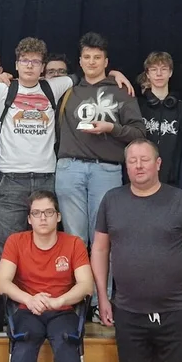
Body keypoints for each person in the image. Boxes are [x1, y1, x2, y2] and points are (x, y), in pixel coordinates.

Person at [91, 140, 182, 362]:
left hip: (177, 312)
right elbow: (100, 249)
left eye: (144, 160)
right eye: (132, 161)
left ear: (158, 163)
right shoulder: (111, 200)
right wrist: (102, 297)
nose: (138, 166)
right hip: (128, 313)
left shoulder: (181, 200)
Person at [0, 191, 93, 362]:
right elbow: (1, 282)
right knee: (23, 347)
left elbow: (86, 284)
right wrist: (29, 298)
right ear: (29, 218)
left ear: (58, 216)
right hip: (29, 310)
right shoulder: (16, 241)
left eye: (48, 212)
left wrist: (61, 300)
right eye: (36, 213)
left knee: (67, 345)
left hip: (62, 310)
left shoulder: (73, 243)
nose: (43, 218)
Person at [0, 37, 73, 256]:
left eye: (35, 61)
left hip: (46, 178)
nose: (29, 65)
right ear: (16, 64)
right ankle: (8, 281)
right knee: (8, 247)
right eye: (24, 60)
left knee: (47, 243)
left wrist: (115, 74)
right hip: (11, 179)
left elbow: (82, 77)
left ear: (43, 67)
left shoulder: (53, 87)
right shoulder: (1, 90)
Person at [56, 32, 145, 250]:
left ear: (106, 62)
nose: (91, 62)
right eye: (87, 57)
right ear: (80, 61)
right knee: (73, 240)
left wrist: (111, 128)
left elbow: (139, 133)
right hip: (69, 168)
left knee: (102, 238)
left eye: (97, 57)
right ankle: (80, 275)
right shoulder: (67, 90)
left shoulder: (121, 91)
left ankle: (101, 276)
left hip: (106, 170)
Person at [137, 52, 182, 186]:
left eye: (164, 69)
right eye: (154, 70)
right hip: (142, 177)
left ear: (170, 73)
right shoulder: (137, 106)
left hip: (172, 181)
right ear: (147, 74)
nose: (159, 74)